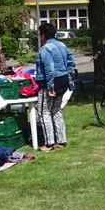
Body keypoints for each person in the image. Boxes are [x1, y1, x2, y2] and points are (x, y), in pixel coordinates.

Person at [34, 23, 76, 152]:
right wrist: (67, 76)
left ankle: (49, 143)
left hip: (51, 82)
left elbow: (49, 68)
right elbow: (71, 62)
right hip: (63, 79)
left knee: (44, 111)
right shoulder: (62, 45)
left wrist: (51, 86)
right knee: (56, 110)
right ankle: (61, 140)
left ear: (43, 35)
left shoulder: (46, 48)